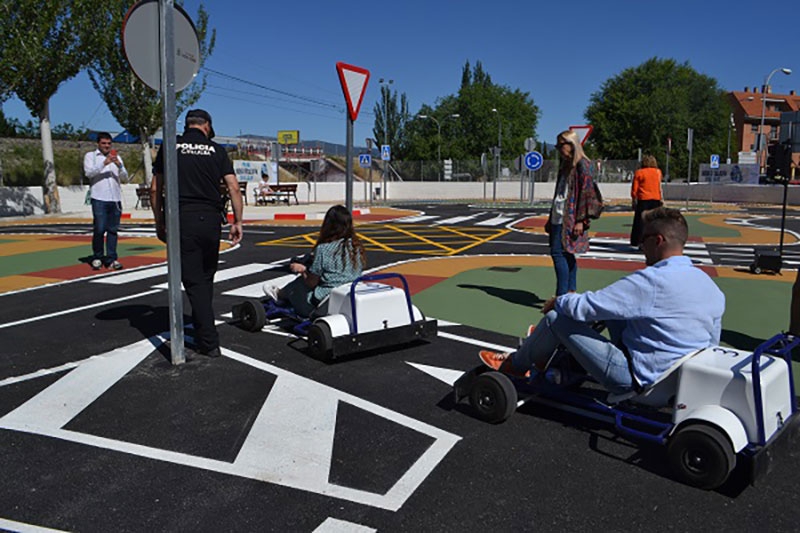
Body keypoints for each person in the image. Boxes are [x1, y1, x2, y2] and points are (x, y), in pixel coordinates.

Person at [481, 207, 725, 394]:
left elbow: (587, 308)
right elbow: (712, 341)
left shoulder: (651, 282)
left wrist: (559, 301)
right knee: (612, 309)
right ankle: (546, 343)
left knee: (558, 318)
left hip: (636, 378)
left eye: (644, 238)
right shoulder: (709, 286)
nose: (641, 245)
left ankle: (517, 363)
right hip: (680, 380)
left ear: (658, 240)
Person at [151, 109, 243, 358]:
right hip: (211, 220)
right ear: (207, 126)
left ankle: (209, 341)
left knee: (193, 281)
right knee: (205, 277)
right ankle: (205, 325)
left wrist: (160, 221)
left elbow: (155, 188)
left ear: (188, 125)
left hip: (183, 219)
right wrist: (237, 221)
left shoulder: (171, 147)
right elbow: (234, 187)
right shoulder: (217, 150)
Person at [263, 205, 366, 317]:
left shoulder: (323, 250)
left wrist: (302, 270)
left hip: (323, 303)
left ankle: (280, 294)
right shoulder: (356, 247)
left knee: (299, 283)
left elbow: (311, 283)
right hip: (348, 293)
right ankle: (281, 293)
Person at [544, 130, 599, 296]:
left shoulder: (583, 164)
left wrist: (581, 220)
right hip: (558, 215)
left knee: (558, 254)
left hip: (570, 217)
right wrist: (550, 217)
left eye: (562, 145)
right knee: (567, 254)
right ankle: (570, 292)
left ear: (572, 144)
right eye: (557, 146)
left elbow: (587, 193)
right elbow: (558, 193)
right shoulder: (565, 165)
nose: (560, 150)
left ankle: (561, 296)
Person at [84, 132, 128, 270]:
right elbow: (89, 173)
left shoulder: (117, 157)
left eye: (109, 143)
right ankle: (97, 256)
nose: (106, 146)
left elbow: (125, 178)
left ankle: (111, 258)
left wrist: (119, 165)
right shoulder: (90, 156)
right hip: (99, 198)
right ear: (98, 143)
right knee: (99, 228)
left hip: (115, 198)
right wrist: (104, 163)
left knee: (113, 230)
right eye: (104, 143)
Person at [630, 154, 664, 246]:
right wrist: (661, 198)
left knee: (640, 222)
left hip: (643, 199)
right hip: (656, 199)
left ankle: (638, 241)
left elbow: (634, 189)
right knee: (654, 221)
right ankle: (653, 241)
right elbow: (659, 186)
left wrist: (634, 200)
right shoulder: (658, 172)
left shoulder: (639, 172)